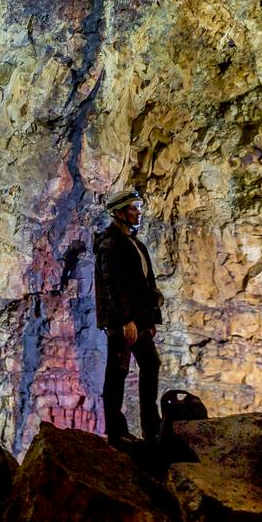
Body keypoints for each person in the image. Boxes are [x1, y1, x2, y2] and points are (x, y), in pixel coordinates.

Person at [93, 186, 163, 442]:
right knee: (117, 372)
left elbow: (145, 283)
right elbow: (112, 286)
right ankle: (116, 431)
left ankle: (151, 427)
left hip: (139, 320)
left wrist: (151, 319)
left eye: (138, 208)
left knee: (150, 364)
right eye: (133, 208)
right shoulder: (110, 245)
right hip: (123, 323)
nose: (138, 213)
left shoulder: (135, 244)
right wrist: (125, 320)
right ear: (119, 213)